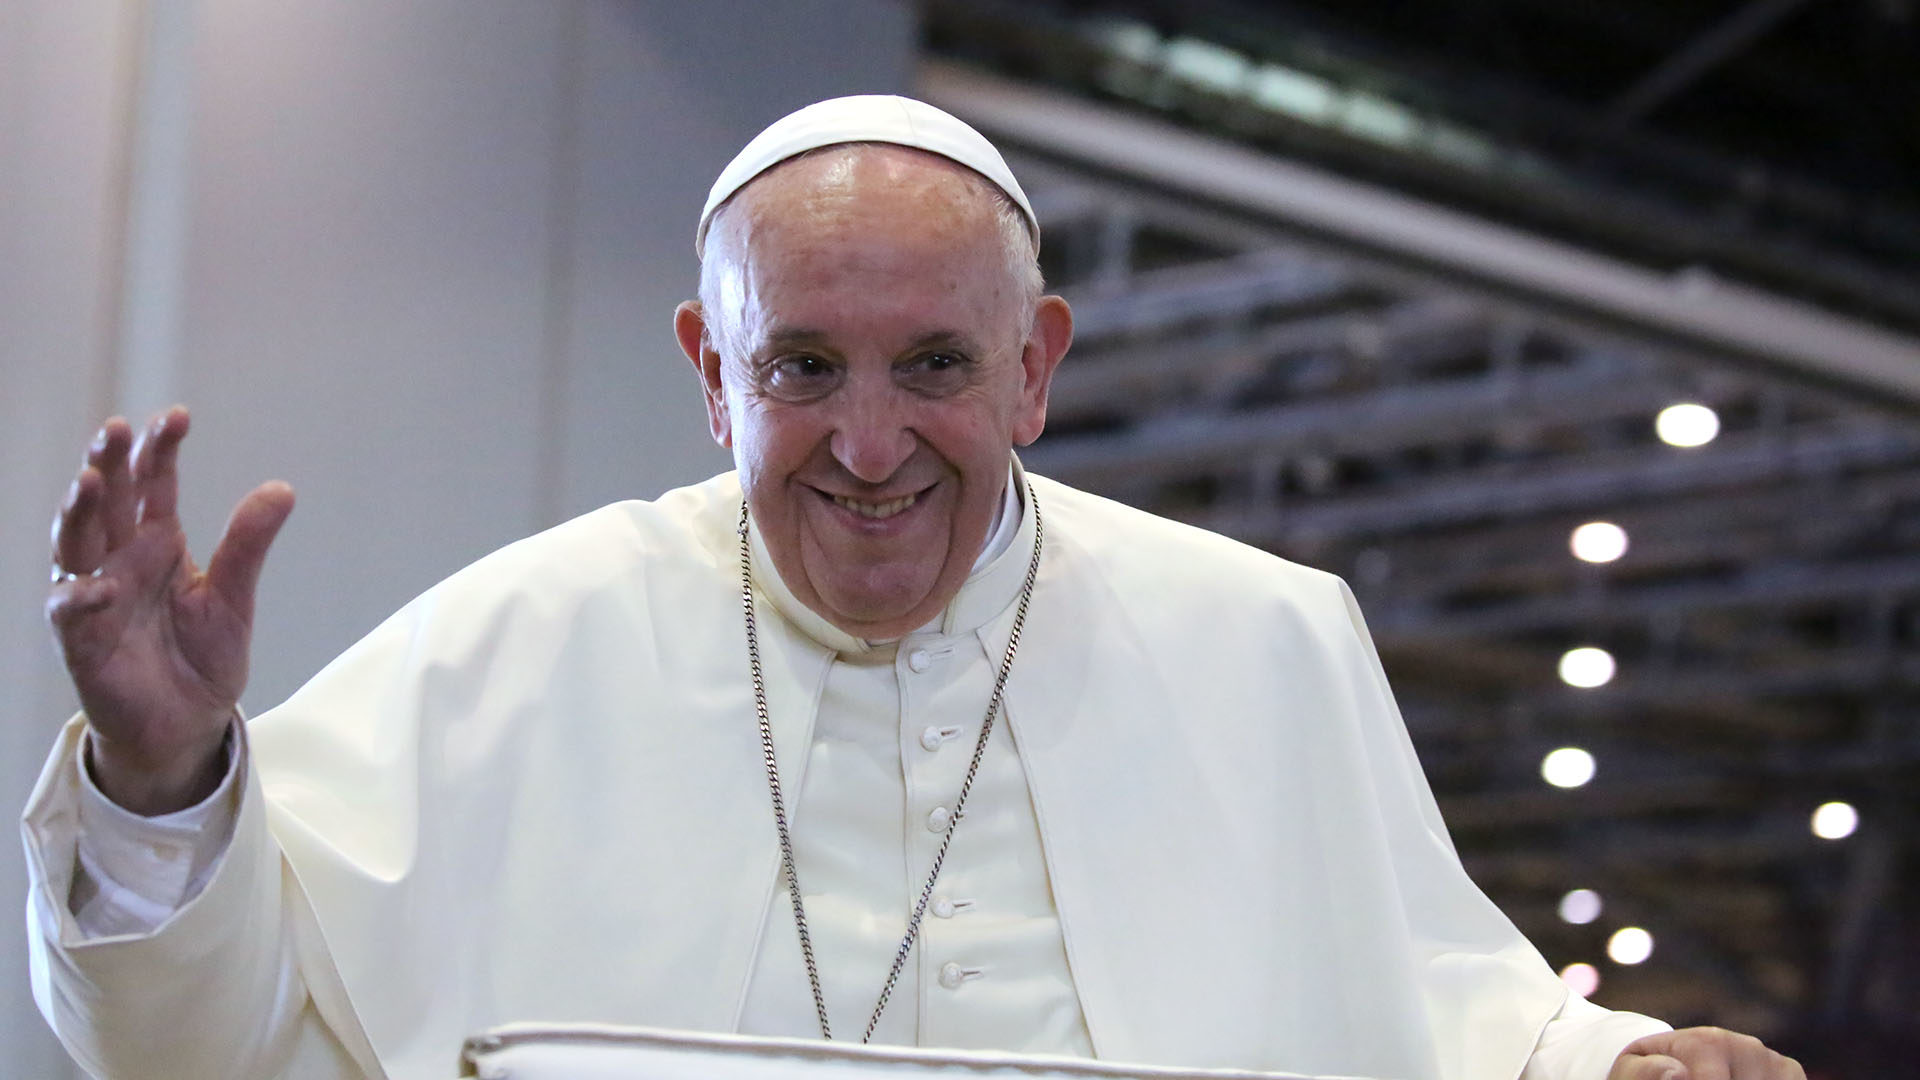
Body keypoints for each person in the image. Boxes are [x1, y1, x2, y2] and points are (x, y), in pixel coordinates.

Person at [24, 96, 1802, 1080]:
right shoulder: (527, 635)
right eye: (800, 369)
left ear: (1034, 366)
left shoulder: (1259, 636)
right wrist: (166, 783)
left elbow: (1443, 1019)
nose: (869, 447)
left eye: (934, 369)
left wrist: (1622, 1071)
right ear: (709, 375)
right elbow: (210, 1046)